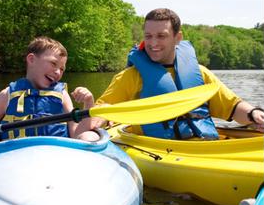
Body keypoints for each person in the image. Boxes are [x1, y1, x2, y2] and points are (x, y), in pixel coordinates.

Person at [96, 8, 264, 139]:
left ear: (177, 37)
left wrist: (253, 114)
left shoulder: (201, 73)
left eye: (161, 36)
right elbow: (100, 111)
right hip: (154, 148)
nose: (153, 43)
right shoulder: (130, 77)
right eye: (148, 36)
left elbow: (233, 107)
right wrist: (101, 115)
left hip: (204, 146)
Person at [0, 36, 98, 142]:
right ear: (32, 59)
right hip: (15, 157)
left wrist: (88, 104)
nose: (58, 72)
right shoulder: (8, 94)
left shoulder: (62, 95)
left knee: (89, 137)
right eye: (53, 63)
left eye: (62, 69)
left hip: (55, 155)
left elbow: (77, 135)